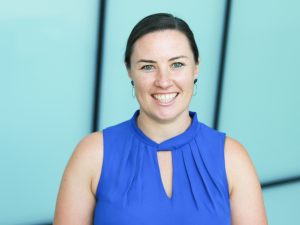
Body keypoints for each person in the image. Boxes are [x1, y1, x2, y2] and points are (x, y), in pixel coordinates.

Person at [53, 13, 268, 225]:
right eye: (148, 66)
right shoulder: (91, 154)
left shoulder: (233, 158)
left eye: (177, 65)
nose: (163, 81)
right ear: (129, 71)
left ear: (196, 67)